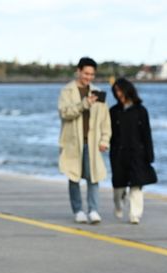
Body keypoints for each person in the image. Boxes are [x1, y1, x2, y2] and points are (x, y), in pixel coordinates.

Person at [58, 57, 111, 224]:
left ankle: (94, 210)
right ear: (79, 71)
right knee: (73, 176)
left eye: (92, 74)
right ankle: (78, 210)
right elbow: (65, 113)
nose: (88, 77)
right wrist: (84, 104)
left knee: (93, 176)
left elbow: (105, 120)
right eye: (86, 73)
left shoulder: (98, 93)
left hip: (93, 142)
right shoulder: (66, 91)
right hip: (72, 142)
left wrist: (105, 140)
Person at [109, 78, 157, 224]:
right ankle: (118, 205)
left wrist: (149, 155)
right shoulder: (113, 111)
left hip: (137, 153)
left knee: (136, 185)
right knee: (119, 187)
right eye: (115, 91)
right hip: (118, 153)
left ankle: (135, 215)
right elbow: (109, 133)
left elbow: (146, 134)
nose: (118, 93)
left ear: (128, 90)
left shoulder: (141, 111)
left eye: (120, 90)